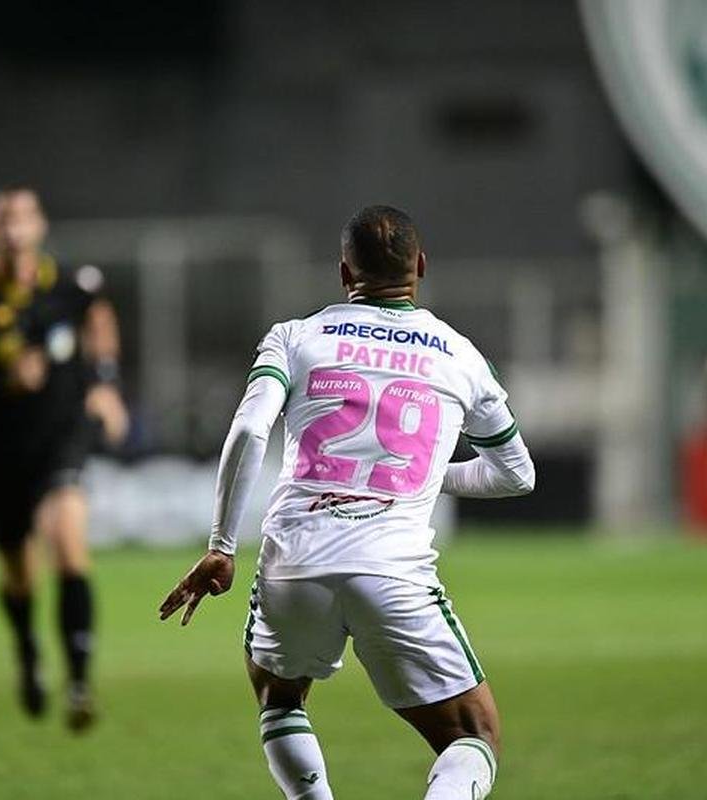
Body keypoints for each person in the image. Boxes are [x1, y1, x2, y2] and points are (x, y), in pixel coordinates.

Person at [159, 206, 535, 799]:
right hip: (392, 569)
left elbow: (250, 431)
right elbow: (516, 475)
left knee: (279, 699)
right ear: (421, 266)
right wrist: (422, 474)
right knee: (474, 734)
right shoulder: (462, 356)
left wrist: (222, 547)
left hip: (294, 561)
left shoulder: (296, 335)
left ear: (342, 271)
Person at [0, 187, 128, 731]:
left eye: (23, 218)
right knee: (19, 572)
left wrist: (105, 385)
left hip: (59, 440)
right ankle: (28, 653)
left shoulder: (70, 287)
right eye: (3, 220)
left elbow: (101, 321)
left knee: (68, 546)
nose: (14, 229)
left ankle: (80, 683)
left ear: (40, 227)